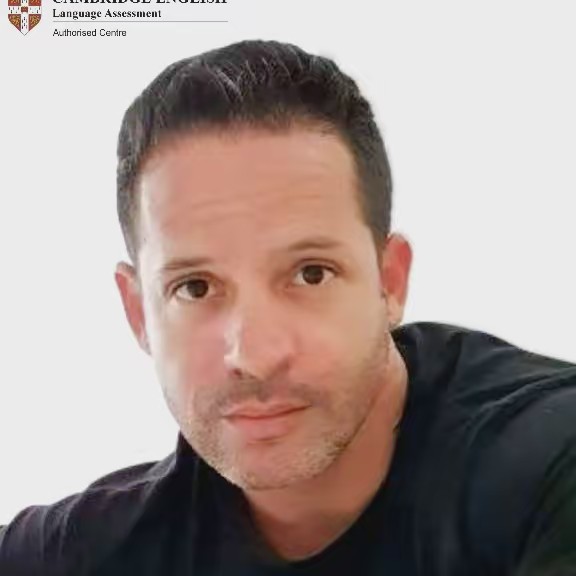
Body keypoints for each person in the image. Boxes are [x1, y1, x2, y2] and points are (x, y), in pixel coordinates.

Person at [1, 39, 575, 576]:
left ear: (389, 281)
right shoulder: (94, 547)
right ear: (138, 313)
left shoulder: (550, 465)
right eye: (195, 287)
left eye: (310, 274)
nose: (254, 355)